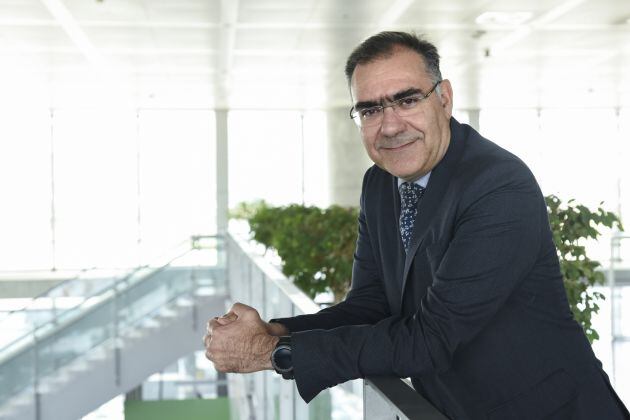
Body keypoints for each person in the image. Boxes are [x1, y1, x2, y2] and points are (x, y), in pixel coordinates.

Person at [204, 31, 630, 419]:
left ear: (443, 99)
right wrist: (276, 330)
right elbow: (371, 307)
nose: (390, 125)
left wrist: (273, 353)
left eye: (407, 100)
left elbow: (430, 339)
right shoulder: (380, 183)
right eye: (370, 109)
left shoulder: (499, 186)